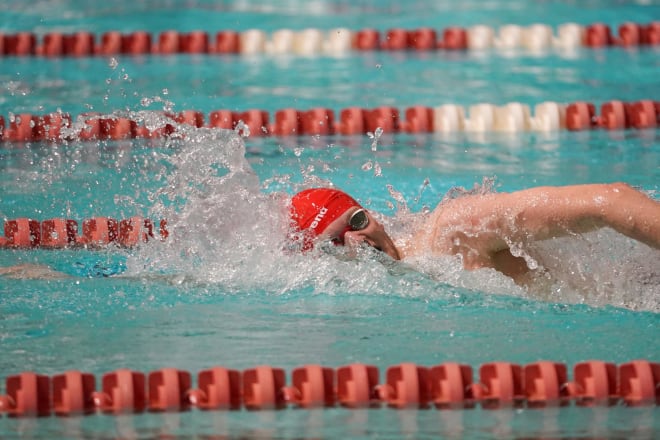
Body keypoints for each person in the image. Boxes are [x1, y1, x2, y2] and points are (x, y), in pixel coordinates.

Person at [289, 183, 660, 284]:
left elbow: (610, 200)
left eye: (357, 222)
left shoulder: (456, 229)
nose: (360, 240)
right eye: (335, 242)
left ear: (372, 214)